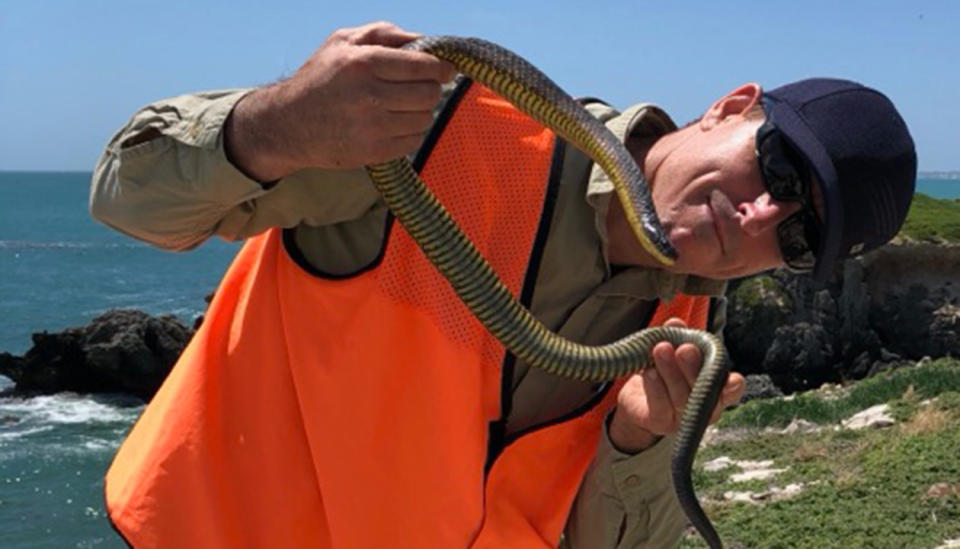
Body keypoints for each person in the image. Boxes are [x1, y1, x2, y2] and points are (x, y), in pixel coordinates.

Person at [90, 21, 916, 549]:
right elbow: (127, 201)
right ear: (730, 108)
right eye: (776, 165)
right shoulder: (438, 128)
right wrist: (274, 126)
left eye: (800, 235)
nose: (760, 213)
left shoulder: (684, 329)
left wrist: (635, 442)